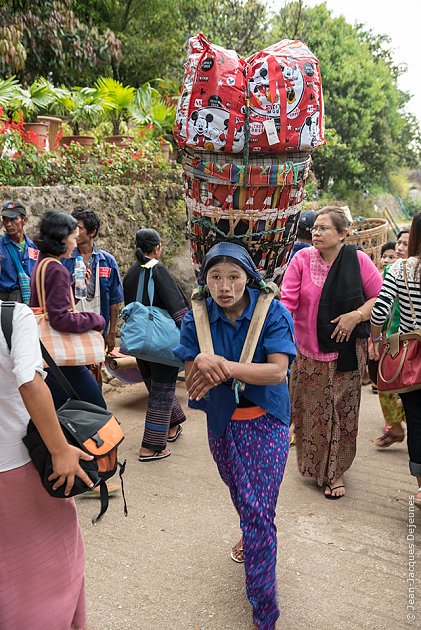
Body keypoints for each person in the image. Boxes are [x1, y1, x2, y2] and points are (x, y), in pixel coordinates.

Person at [173, 241, 296, 630]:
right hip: (222, 421)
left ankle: (264, 611)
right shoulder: (196, 317)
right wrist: (207, 367)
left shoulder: (272, 312)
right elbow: (194, 378)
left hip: (265, 421)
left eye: (233, 277)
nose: (224, 286)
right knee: (240, 492)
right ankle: (251, 532)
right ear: (205, 280)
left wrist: (220, 364)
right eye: (215, 277)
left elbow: (276, 372)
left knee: (259, 513)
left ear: (249, 277)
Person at [0, 293, 94, 630]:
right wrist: (59, 450)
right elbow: (29, 380)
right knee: (49, 570)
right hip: (18, 469)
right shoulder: (12, 317)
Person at [281, 206, 382, 499]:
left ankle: (336, 472)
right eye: (315, 227)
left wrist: (356, 315)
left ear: (342, 234)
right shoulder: (301, 259)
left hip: (347, 352)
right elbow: (287, 302)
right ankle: (315, 466)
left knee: (340, 414)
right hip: (308, 352)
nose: (316, 232)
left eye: (324, 228)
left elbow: (380, 296)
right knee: (311, 413)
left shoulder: (358, 260)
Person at [29, 210, 106, 410]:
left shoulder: (43, 263)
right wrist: (96, 319)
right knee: (96, 409)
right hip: (61, 360)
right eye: (73, 237)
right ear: (62, 239)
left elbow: (49, 303)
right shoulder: (57, 269)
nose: (75, 242)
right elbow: (60, 318)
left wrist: (71, 288)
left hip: (45, 356)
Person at [123, 228, 189, 461]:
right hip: (161, 342)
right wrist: (190, 334)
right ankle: (151, 447)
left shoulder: (131, 272)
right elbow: (177, 305)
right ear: (157, 247)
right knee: (162, 392)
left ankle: (173, 424)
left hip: (140, 341)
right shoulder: (157, 270)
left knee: (157, 386)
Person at [371, 212, 421, 510]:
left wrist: (378, 339)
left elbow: (379, 313)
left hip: (410, 359)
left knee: (415, 421)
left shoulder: (400, 269)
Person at [61, 207, 124, 354]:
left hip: (98, 329)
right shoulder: (65, 259)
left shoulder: (107, 261)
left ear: (92, 232)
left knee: (95, 366)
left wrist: (112, 332)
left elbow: (114, 300)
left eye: (79, 228)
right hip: (70, 328)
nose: (74, 231)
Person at [372, 229, 409, 446]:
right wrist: (376, 339)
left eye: (406, 244)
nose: (400, 248)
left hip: (408, 341)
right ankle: (396, 427)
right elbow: (381, 310)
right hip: (393, 340)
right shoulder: (389, 272)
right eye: (399, 244)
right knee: (385, 384)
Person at [0, 201, 38, 303]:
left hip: (29, 302)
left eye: (13, 219)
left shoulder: (33, 248)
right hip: (5, 302)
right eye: (5, 220)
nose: (8, 224)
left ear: (24, 220)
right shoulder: (1, 246)